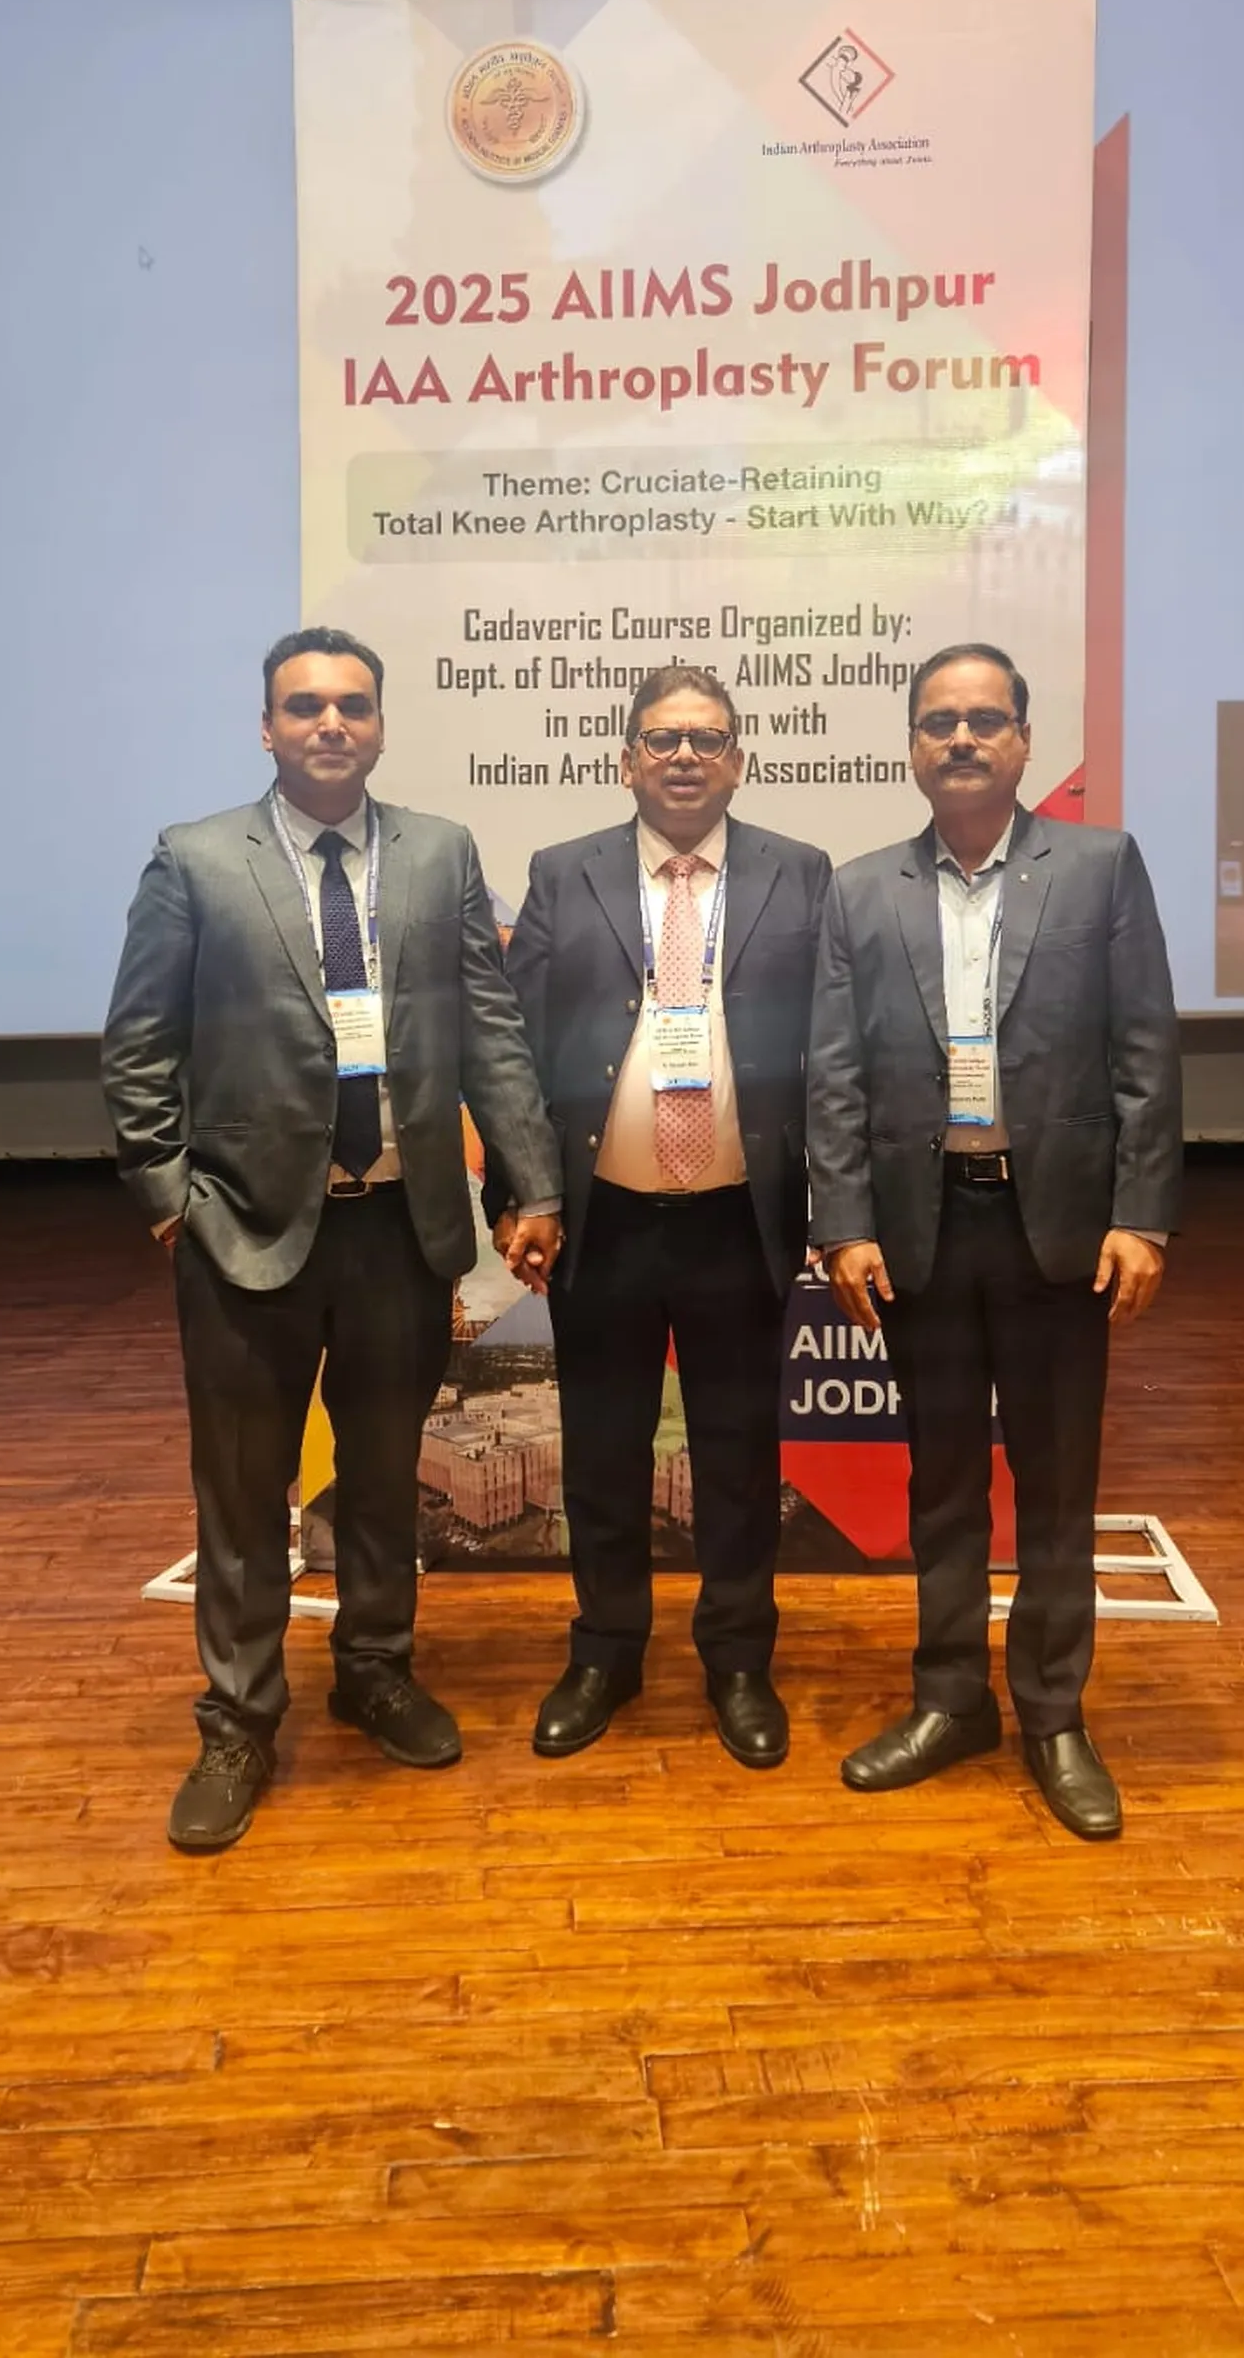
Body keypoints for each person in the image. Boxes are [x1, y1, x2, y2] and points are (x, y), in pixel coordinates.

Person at [102, 627, 561, 1852]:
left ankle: (374, 1670)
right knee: (244, 1492)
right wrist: (169, 1198)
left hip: (400, 1231)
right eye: (303, 705)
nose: (329, 723)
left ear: (379, 725)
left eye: (351, 704)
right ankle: (237, 1720)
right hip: (244, 1234)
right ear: (266, 727)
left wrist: (531, 1183)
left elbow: (491, 1031)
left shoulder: (439, 853)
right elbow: (138, 1045)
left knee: (381, 1474)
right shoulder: (196, 858)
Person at [808, 642, 1182, 1839]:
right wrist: (842, 1222)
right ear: (910, 746)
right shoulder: (858, 889)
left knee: (1057, 1482)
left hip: (1057, 1229)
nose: (960, 738)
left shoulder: (1098, 866)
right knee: (941, 1483)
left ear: (1021, 740)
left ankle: (1053, 1714)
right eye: (938, 721)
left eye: (983, 719)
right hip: (921, 1228)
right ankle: (949, 1699)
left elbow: (1142, 1053)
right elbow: (832, 1073)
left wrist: (1139, 1213)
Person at [491, 666, 830, 1768]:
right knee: (602, 1449)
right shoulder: (565, 871)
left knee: (736, 1453)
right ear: (626, 759)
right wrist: (523, 1194)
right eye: (662, 738)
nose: (685, 755)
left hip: (740, 1217)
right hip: (606, 1222)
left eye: (707, 738)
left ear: (739, 759)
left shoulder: (798, 871)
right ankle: (605, 1652)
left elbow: (834, 1051)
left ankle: (737, 1660)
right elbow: (516, 1049)